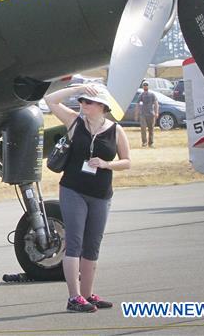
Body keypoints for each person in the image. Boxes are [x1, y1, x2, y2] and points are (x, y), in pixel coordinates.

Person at [45, 83, 131, 313]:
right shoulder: (75, 122)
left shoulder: (116, 130)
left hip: (101, 194)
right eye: (82, 101)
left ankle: (87, 294)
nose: (83, 104)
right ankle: (73, 297)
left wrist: (106, 164)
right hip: (73, 189)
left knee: (92, 245)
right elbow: (51, 100)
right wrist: (78, 88)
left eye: (88, 102)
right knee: (74, 242)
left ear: (102, 106)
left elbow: (127, 161)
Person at [136, 81, 159, 148]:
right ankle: (144, 143)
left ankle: (151, 143)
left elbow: (156, 104)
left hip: (151, 114)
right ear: (143, 86)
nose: (145, 86)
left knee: (151, 129)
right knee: (143, 128)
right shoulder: (141, 95)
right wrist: (137, 113)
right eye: (144, 85)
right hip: (143, 114)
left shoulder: (152, 94)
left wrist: (156, 112)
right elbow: (137, 104)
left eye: (146, 85)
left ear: (148, 86)